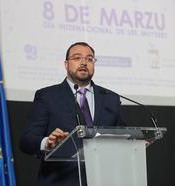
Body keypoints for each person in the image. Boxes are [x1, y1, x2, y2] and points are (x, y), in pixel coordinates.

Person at [20, 42, 125, 186]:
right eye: (77, 58)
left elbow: (121, 135)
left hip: (103, 179)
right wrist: (47, 143)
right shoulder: (47, 96)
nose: (84, 62)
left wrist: (133, 143)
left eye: (89, 59)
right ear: (66, 64)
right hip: (61, 180)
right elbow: (26, 140)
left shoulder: (110, 98)